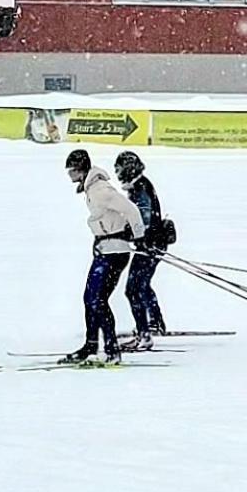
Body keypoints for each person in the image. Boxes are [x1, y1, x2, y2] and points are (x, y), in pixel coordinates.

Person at [62, 148, 144, 364]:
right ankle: (91, 346)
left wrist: (138, 235)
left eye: (70, 170)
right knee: (90, 299)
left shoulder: (100, 190)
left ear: (80, 169)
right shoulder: (91, 188)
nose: (69, 175)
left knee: (97, 300)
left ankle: (111, 349)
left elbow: (131, 209)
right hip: (105, 250)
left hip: (115, 252)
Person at [115, 150, 176, 346]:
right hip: (154, 243)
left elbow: (144, 217)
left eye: (119, 169)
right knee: (142, 285)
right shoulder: (140, 184)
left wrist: (134, 234)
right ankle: (154, 323)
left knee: (133, 289)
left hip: (150, 244)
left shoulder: (140, 187)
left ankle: (144, 334)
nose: (117, 173)